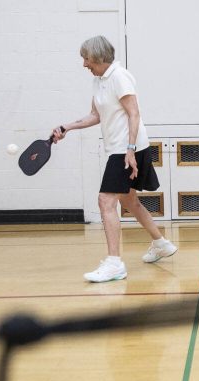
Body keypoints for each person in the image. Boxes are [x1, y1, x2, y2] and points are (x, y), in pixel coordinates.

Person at [52, 36, 177, 282]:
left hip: (126, 148)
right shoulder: (99, 81)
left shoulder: (120, 77)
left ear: (97, 57)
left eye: (86, 58)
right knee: (129, 200)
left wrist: (130, 150)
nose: (84, 64)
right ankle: (161, 243)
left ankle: (114, 264)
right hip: (119, 148)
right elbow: (95, 115)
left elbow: (134, 113)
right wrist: (66, 127)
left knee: (105, 201)